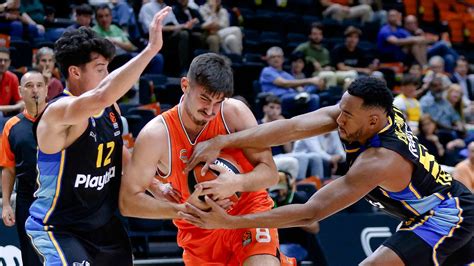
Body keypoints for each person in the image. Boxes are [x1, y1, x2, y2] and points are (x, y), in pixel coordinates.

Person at [182, 76, 474, 265]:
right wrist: (222, 141)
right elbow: (292, 128)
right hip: (430, 205)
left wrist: (229, 222)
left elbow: (311, 212)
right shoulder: (367, 115)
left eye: (347, 114)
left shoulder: (380, 159)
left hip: (448, 215)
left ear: (373, 121)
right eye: (341, 109)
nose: (339, 118)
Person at [24, 7, 172, 265]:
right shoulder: (58, 112)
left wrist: (156, 186)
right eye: (101, 68)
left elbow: (118, 152)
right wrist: (149, 50)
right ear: (75, 72)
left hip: (104, 227)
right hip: (60, 228)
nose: (107, 76)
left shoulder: (110, 109)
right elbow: (101, 95)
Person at [119, 53, 295, 265]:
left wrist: (235, 183)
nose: (210, 111)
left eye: (218, 102)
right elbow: (128, 202)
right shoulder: (156, 134)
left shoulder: (234, 113)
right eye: (204, 98)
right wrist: (184, 210)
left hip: (246, 212)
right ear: (185, 85)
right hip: (198, 228)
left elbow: (270, 174)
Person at [1, 71, 46, 266]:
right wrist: (6, 204)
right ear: (20, 91)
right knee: (30, 257)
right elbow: (9, 169)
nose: (34, 90)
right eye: (29, 86)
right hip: (27, 199)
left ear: (46, 90)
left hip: (59, 198)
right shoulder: (12, 126)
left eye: (39, 85)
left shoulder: (60, 120)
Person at [0, 47, 23, 122]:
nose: (2, 63)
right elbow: (17, 106)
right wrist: (14, 107)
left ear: (9, 62)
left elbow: (19, 102)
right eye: (0, 60)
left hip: (6, 117)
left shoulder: (12, 78)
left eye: (5, 60)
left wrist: (22, 105)